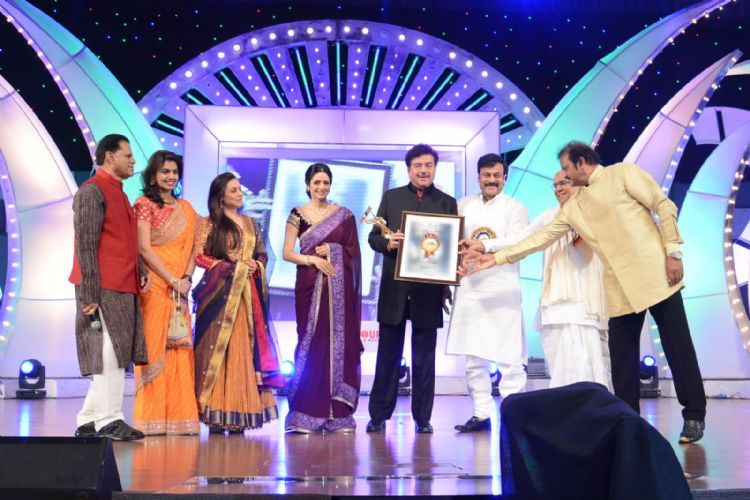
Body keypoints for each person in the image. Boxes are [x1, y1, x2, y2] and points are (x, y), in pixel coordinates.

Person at [462, 141, 706, 443]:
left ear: (580, 163)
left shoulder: (622, 174)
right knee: (620, 361)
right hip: (619, 288)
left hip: (656, 273)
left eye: (566, 169)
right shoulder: (574, 208)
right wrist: (495, 257)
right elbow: (538, 239)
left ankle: (694, 415)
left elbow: (663, 205)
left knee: (678, 347)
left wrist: (673, 252)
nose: (564, 176)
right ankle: (629, 424)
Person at [367, 144, 458, 434]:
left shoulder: (447, 203)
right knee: (387, 356)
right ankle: (378, 415)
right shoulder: (392, 197)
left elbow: (449, 248)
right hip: (394, 289)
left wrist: (446, 284)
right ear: (408, 169)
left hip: (428, 292)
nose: (423, 170)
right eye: (418, 165)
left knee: (424, 359)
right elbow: (373, 238)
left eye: (429, 165)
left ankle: (423, 418)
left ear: (435, 168)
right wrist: (388, 243)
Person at [69, 134, 150, 441]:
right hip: (103, 284)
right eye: (127, 155)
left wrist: (140, 269)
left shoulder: (119, 193)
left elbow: (123, 239)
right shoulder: (92, 191)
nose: (133, 160)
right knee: (110, 352)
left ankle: (89, 420)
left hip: (122, 281)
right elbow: (86, 244)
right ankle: (109, 420)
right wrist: (89, 292)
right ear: (109, 157)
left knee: (114, 352)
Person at [192, 172, 284, 433]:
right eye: (233, 190)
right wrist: (230, 267)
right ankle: (214, 414)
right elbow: (199, 256)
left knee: (243, 350)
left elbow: (263, 255)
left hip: (247, 297)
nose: (240, 194)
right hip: (218, 295)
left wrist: (255, 265)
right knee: (217, 350)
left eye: (240, 189)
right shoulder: (209, 223)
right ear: (220, 196)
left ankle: (240, 413)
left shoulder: (251, 224)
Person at [447, 154, 529, 433]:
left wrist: (485, 246)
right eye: (486, 175)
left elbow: (519, 241)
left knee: (509, 357)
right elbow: (451, 240)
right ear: (478, 177)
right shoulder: (464, 205)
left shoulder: (515, 208)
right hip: (470, 288)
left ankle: (514, 415)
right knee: (474, 357)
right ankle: (481, 413)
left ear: (505, 178)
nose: (491, 180)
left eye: (496, 175)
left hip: (503, 288)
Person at [281, 163, 363, 433]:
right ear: (308, 185)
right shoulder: (297, 214)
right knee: (310, 339)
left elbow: (354, 253)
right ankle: (305, 409)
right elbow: (287, 253)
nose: (321, 187)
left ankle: (337, 411)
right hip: (308, 283)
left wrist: (333, 249)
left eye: (326, 182)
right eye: (316, 182)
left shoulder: (344, 215)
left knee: (339, 342)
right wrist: (313, 260)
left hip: (337, 290)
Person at [132, 150, 200, 436]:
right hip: (156, 286)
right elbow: (143, 248)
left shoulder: (186, 208)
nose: (171, 177)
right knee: (155, 349)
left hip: (180, 290)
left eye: (174, 172)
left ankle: (180, 419)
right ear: (153, 175)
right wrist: (172, 279)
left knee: (180, 349)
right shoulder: (144, 204)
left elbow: (194, 248)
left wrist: (185, 279)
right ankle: (151, 419)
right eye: (165, 172)